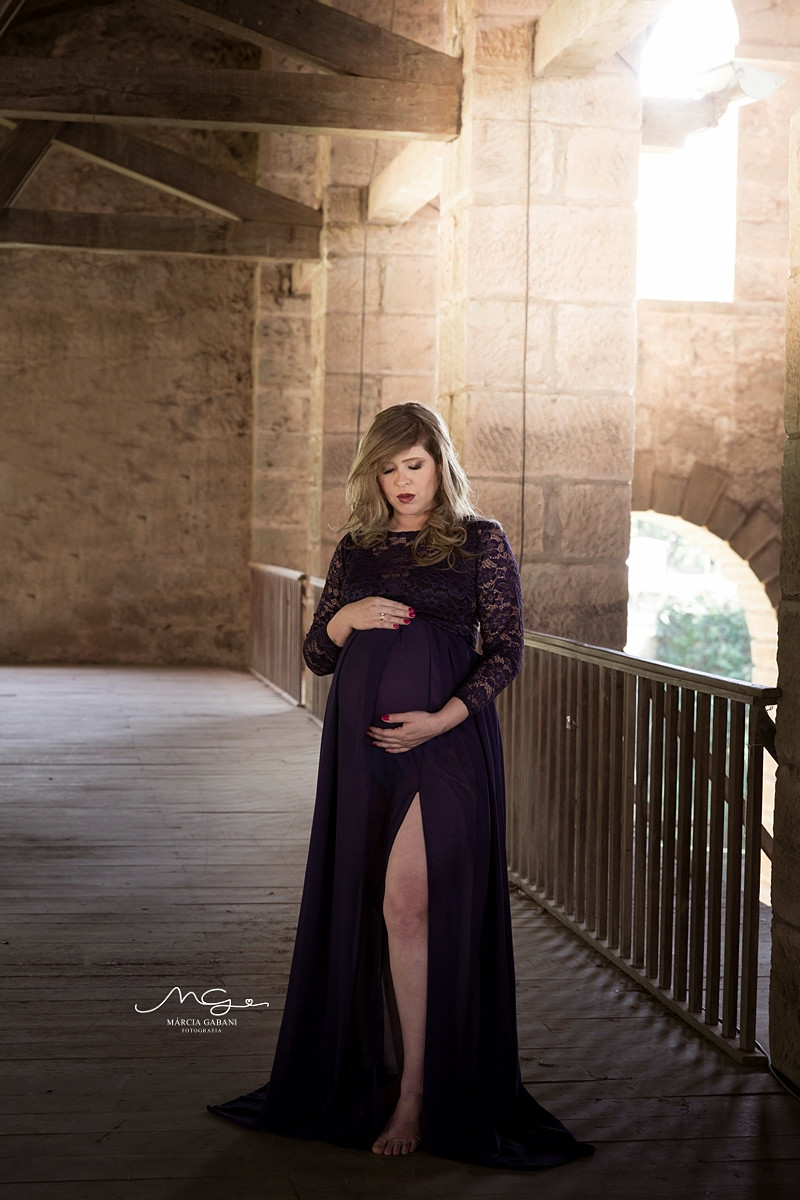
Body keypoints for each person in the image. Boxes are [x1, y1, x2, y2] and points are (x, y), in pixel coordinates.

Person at [207, 402, 593, 1170]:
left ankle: (416, 1092)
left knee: (407, 901)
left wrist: (439, 719)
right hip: (362, 752)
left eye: (413, 464)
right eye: (386, 469)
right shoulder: (357, 547)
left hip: (445, 744)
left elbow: (507, 651)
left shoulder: (481, 541)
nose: (401, 481)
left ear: (439, 462)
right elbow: (317, 655)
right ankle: (381, 1074)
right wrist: (347, 616)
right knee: (377, 907)